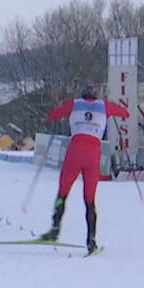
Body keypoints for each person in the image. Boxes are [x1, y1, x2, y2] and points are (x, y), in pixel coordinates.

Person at [40, 83, 130, 254]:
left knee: (63, 192)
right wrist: (109, 107)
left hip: (74, 151)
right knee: (89, 199)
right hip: (93, 154)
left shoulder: (74, 103)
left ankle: (54, 229)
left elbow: (51, 116)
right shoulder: (104, 106)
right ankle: (91, 240)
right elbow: (126, 113)